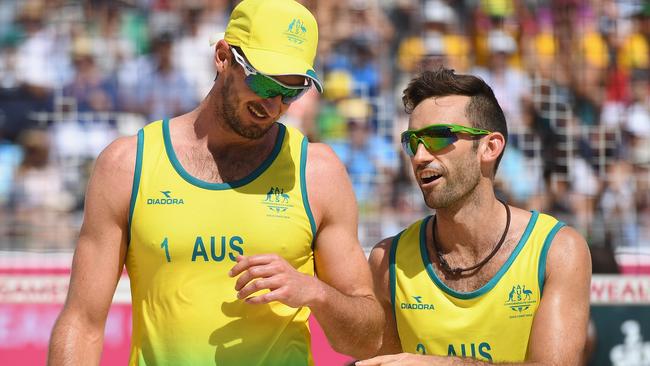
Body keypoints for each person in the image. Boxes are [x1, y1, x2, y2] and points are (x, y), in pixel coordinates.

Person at [48, 0, 383, 365]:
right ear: (223, 57)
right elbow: (82, 321)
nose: (273, 104)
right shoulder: (128, 165)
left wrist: (316, 291)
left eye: (292, 91)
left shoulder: (317, 172)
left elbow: (366, 340)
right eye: (264, 81)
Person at [357, 69, 591, 365]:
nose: (419, 156)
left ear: (489, 147)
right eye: (412, 141)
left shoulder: (557, 249)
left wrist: (441, 363)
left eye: (439, 137)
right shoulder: (387, 260)